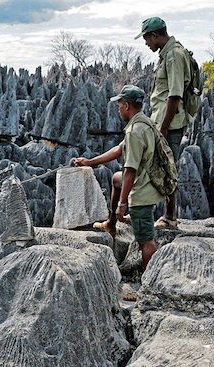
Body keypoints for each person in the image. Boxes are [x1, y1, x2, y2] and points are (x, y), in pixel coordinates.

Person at [71, 85, 163, 274]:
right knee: (116, 178)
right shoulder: (144, 122)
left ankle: (148, 285)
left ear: (127, 106)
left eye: (119, 104)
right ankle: (111, 224)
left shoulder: (135, 132)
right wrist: (90, 162)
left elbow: (130, 170)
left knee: (146, 239)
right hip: (147, 178)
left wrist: (123, 203)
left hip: (143, 188)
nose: (118, 108)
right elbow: (118, 150)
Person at [137, 17, 191, 229]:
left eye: (146, 39)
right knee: (159, 166)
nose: (146, 43)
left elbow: (174, 95)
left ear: (156, 35)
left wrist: (163, 128)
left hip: (170, 124)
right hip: (161, 121)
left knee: (168, 168)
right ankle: (162, 214)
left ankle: (170, 217)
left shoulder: (174, 55)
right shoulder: (167, 54)